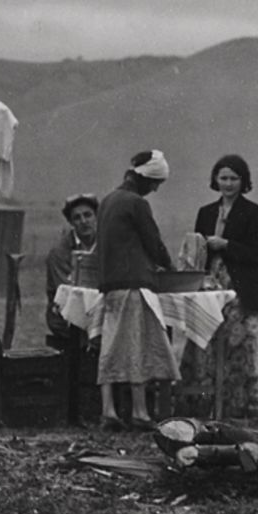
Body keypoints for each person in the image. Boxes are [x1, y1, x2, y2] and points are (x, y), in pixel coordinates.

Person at [91, 150, 175, 429]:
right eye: (155, 183)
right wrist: (169, 266)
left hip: (110, 285)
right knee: (136, 344)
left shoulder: (108, 200)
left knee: (112, 345)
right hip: (132, 283)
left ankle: (109, 410)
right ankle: (140, 412)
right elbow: (153, 241)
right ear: (146, 179)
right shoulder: (136, 203)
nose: (156, 189)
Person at [187, 154, 258, 416]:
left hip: (241, 289)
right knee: (209, 345)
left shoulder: (255, 213)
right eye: (223, 178)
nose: (228, 183)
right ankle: (208, 403)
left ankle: (243, 406)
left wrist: (227, 246)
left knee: (241, 346)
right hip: (210, 286)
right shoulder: (206, 212)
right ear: (215, 180)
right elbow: (197, 250)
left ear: (243, 181)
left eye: (234, 178)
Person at [43, 192, 100, 340]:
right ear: (71, 223)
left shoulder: (107, 245)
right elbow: (65, 292)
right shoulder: (59, 253)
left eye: (88, 215)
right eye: (77, 218)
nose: (83, 221)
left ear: (96, 217)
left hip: (99, 312)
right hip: (66, 317)